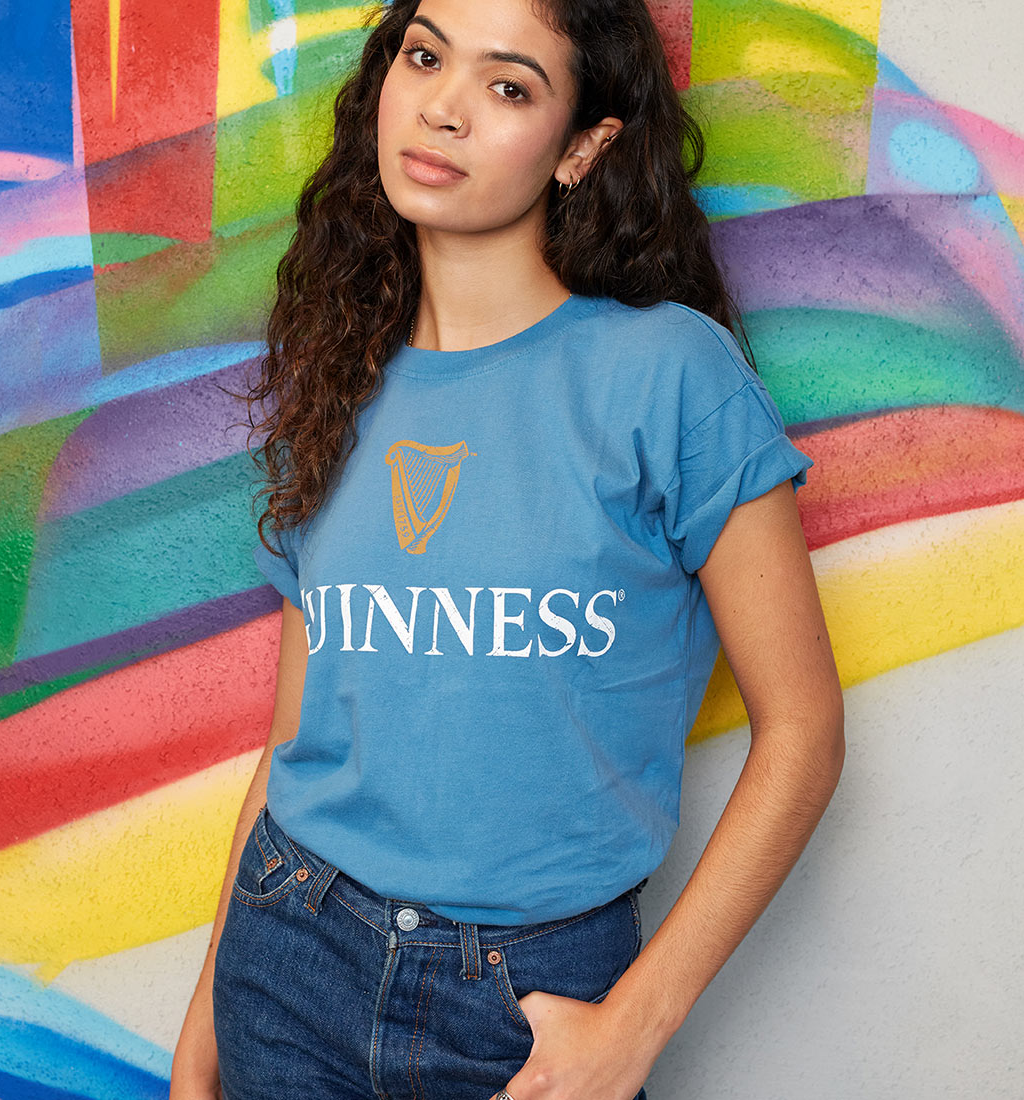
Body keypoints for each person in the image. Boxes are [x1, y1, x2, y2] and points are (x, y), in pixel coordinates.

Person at [170, 0, 845, 1097]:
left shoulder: (669, 373)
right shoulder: (339, 375)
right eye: (425, 55)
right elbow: (296, 733)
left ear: (582, 147)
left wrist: (631, 1028)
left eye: (508, 85)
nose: (441, 106)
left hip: (529, 1002)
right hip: (287, 953)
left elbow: (803, 729)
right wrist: (206, 1012)